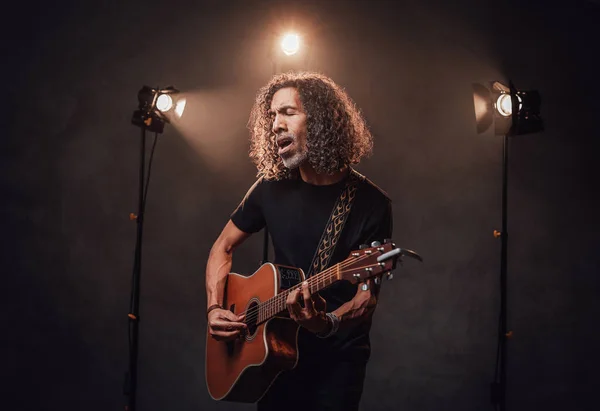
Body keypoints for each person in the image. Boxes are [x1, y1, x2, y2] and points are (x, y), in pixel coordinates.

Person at [205, 71, 392, 410]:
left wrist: (325, 322)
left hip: (336, 362)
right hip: (273, 354)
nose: (276, 124)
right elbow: (223, 246)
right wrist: (215, 308)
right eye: (272, 114)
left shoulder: (370, 203)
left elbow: (366, 301)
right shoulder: (270, 187)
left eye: (288, 112)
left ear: (321, 120)